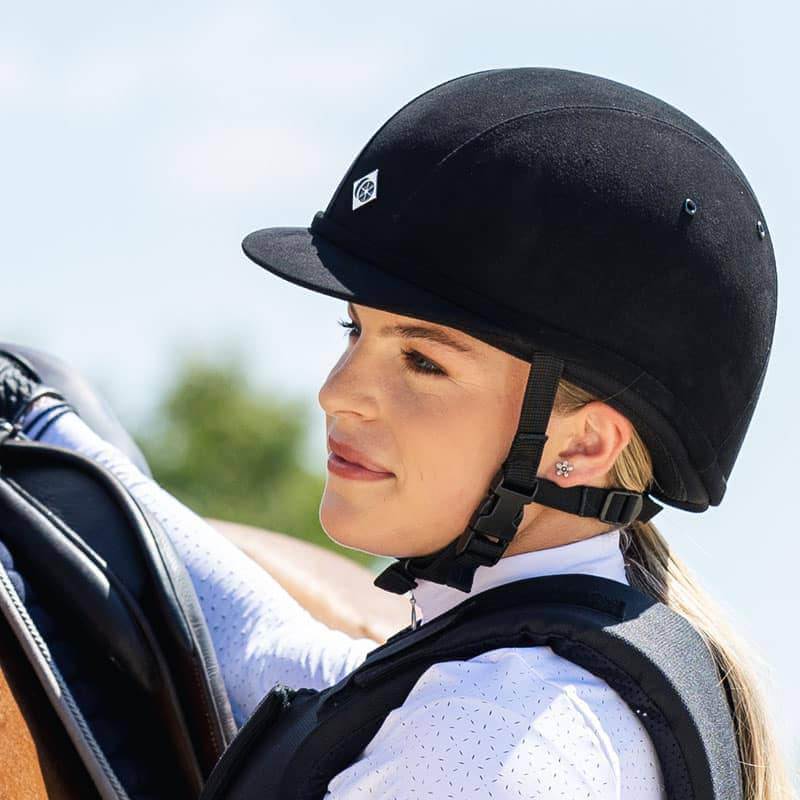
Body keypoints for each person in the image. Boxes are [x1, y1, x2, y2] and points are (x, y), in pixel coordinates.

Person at [5, 66, 795, 799]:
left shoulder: (496, 741)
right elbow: (287, 660)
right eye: (353, 331)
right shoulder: (553, 654)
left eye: (421, 360)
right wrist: (43, 420)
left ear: (583, 444)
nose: (336, 394)